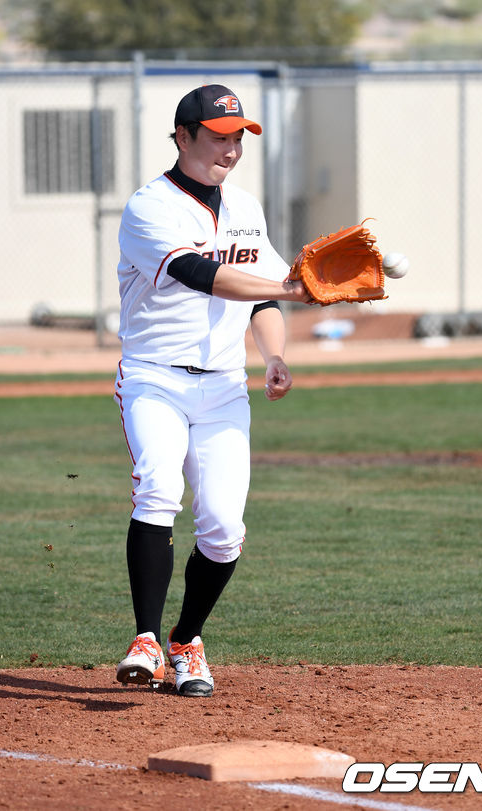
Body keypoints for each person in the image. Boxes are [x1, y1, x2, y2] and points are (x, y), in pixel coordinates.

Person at [114, 84, 312, 697]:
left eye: (239, 137)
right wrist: (291, 288)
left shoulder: (246, 207)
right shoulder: (149, 207)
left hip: (226, 387)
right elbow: (199, 273)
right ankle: (145, 639)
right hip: (154, 378)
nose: (232, 148)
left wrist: (275, 353)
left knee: (224, 528)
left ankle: (186, 641)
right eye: (219, 136)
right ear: (183, 136)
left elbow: (263, 291)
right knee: (159, 488)